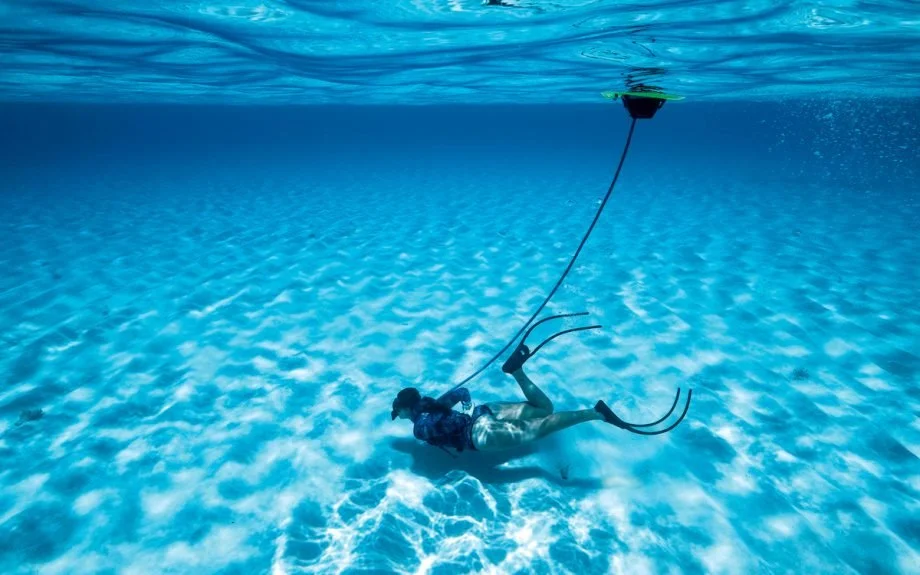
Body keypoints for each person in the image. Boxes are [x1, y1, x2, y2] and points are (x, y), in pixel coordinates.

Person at [391, 312, 692, 453]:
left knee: (544, 424)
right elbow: (461, 392)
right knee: (544, 407)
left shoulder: (419, 427)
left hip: (479, 434)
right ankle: (517, 371)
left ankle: (597, 413)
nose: (400, 416)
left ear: (407, 409)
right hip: (485, 411)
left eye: (399, 412)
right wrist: (469, 408)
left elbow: (444, 428)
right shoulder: (433, 401)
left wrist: (462, 420)